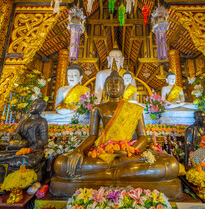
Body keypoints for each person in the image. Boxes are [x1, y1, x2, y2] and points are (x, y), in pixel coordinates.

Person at [50, 62, 183, 199]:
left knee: (171, 165)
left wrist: (128, 152)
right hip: (103, 153)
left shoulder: (135, 108)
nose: (113, 86)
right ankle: (117, 169)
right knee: (61, 164)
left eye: (117, 83)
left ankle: (114, 169)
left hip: (130, 153)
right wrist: (78, 150)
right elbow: (92, 136)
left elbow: (143, 137)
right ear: (105, 88)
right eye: (110, 84)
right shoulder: (98, 108)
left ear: (123, 86)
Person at [0, 99, 48, 177]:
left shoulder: (42, 121)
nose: (32, 106)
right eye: (32, 104)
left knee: (29, 162)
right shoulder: (23, 122)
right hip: (17, 150)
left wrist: (30, 148)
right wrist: (13, 136)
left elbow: (43, 140)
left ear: (41, 109)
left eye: (36, 105)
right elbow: (17, 134)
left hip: (33, 152)